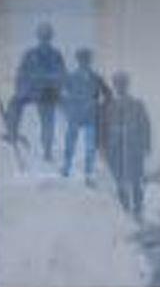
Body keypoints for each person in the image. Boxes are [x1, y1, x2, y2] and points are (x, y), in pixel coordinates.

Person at [6, 23, 66, 163]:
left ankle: (47, 149)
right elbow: (21, 73)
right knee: (14, 103)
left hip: (48, 92)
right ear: (38, 37)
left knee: (48, 119)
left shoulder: (56, 55)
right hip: (32, 91)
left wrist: (53, 85)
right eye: (42, 36)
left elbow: (62, 75)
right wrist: (21, 90)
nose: (44, 39)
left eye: (47, 36)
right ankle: (12, 132)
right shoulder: (30, 54)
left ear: (50, 37)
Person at [100, 71, 153, 218]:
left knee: (136, 180)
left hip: (134, 148)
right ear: (114, 85)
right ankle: (124, 211)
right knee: (119, 180)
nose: (120, 86)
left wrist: (146, 145)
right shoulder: (108, 106)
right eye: (118, 84)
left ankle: (138, 210)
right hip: (115, 149)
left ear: (127, 85)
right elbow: (102, 128)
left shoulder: (137, 104)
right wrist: (103, 147)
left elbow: (145, 125)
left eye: (123, 83)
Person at [60, 47, 110, 181]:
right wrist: (67, 110)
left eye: (87, 59)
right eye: (82, 59)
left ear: (90, 61)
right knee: (70, 142)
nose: (84, 62)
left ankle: (88, 171)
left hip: (90, 116)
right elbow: (62, 96)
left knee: (90, 146)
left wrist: (99, 107)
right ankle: (66, 167)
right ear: (78, 61)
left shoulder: (96, 78)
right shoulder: (71, 78)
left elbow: (108, 94)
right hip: (75, 115)